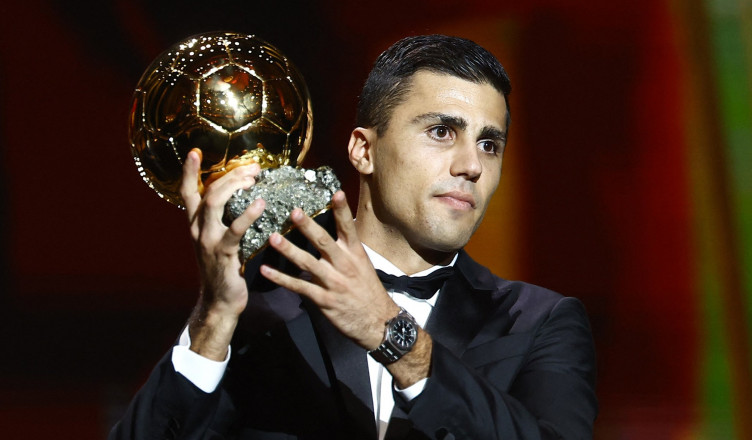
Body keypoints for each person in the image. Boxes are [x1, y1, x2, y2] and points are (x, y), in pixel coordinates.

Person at [110, 34, 598, 439]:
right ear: (363, 150)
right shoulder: (262, 307)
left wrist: (394, 336)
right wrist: (214, 319)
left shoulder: (539, 324)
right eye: (442, 132)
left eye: (489, 144)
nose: (471, 165)